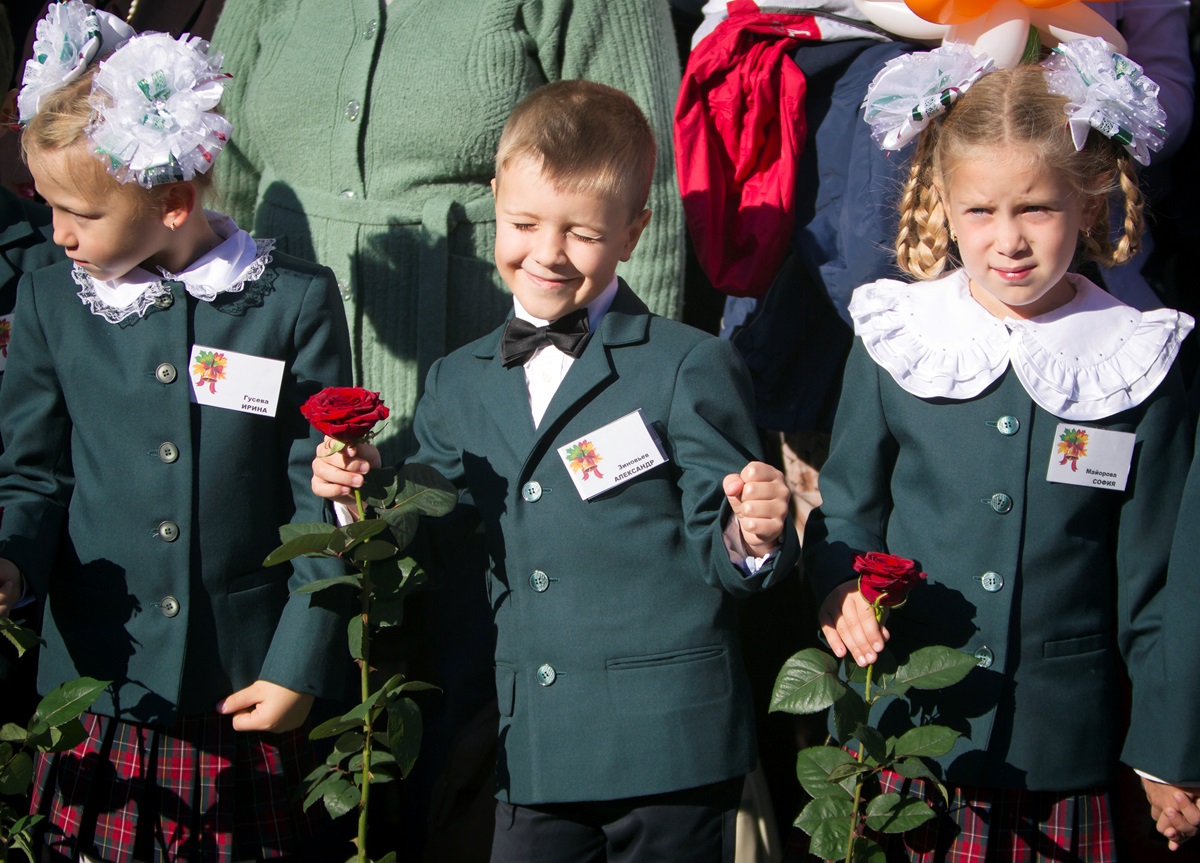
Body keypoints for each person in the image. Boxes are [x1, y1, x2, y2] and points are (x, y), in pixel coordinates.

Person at [312, 79, 800, 862]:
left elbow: (728, 546)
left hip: (668, 743)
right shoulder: (456, 380)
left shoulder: (689, 364)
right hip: (528, 741)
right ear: (494, 202)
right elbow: (422, 535)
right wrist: (363, 494)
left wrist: (751, 530)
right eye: (525, 223)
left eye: (581, 232)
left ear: (634, 232)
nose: (547, 253)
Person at [804, 40, 1196, 860]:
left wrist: (1170, 750)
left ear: (1087, 204)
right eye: (981, 210)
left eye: (1037, 209)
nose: (1008, 239)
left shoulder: (1137, 360)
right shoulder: (898, 338)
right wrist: (838, 582)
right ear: (941, 203)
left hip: (1065, 749)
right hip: (912, 741)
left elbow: (1163, 578)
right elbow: (847, 505)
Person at [0, 7, 352, 861]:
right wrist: (8, 557)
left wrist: (300, 661)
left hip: (244, 688)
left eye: (78, 211)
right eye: (44, 207)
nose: (57, 234)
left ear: (174, 199)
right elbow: (33, 475)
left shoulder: (293, 303)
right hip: (102, 687)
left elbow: (322, 492)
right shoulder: (52, 298)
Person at [211, 0, 686, 464]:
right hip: (280, 364)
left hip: (495, 382)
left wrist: (631, 396)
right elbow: (221, 170)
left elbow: (643, 190)